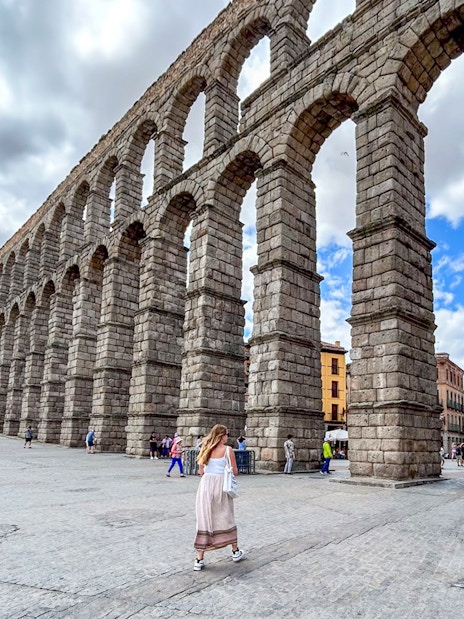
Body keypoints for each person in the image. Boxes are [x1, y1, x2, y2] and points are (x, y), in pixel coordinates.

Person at [194, 424, 244, 571]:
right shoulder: (227, 450)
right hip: (221, 486)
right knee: (226, 516)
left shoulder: (205, 449)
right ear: (222, 435)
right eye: (226, 434)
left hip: (205, 487)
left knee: (205, 520)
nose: (227, 437)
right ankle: (235, 551)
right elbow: (234, 471)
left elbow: (201, 471)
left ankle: (199, 559)